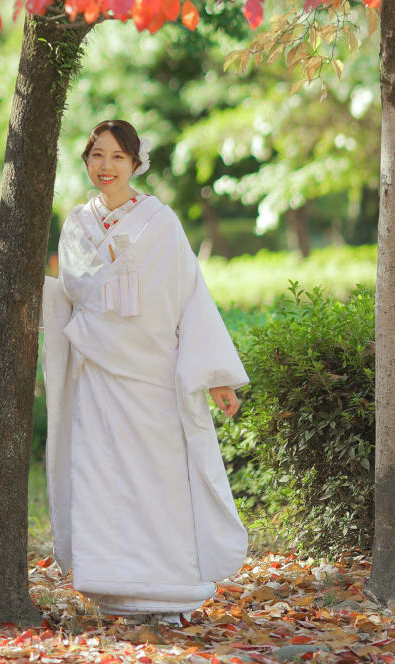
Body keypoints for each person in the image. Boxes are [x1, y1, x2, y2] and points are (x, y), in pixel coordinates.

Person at [42, 119, 248, 624]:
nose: (105, 166)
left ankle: (170, 588)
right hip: (98, 372)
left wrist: (215, 374)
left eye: (116, 157)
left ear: (136, 163)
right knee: (102, 477)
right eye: (96, 156)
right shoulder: (76, 224)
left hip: (153, 372)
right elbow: (72, 290)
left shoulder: (160, 222)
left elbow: (189, 297)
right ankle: (110, 587)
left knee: (160, 480)